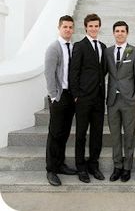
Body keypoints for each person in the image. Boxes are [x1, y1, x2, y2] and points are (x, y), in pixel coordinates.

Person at [70, 13, 107, 183]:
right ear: (86, 27)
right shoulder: (79, 45)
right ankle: (81, 167)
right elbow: (74, 71)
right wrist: (76, 94)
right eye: (90, 26)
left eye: (96, 26)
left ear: (99, 27)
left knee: (97, 133)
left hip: (99, 98)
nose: (93, 29)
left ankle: (94, 164)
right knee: (81, 134)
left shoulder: (103, 46)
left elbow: (103, 70)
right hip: (83, 98)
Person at [106, 21, 135, 182]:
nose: (120, 33)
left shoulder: (134, 51)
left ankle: (127, 168)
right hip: (113, 100)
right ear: (113, 33)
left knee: (129, 135)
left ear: (127, 33)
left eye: (122, 31)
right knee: (115, 136)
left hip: (129, 100)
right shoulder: (107, 52)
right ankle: (117, 167)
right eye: (117, 31)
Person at [45, 15, 76, 186]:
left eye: (71, 27)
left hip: (70, 95)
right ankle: (51, 170)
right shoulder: (53, 48)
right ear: (59, 28)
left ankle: (60, 164)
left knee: (64, 133)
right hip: (59, 96)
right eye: (65, 27)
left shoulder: (72, 47)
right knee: (55, 133)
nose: (68, 30)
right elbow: (49, 73)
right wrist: (54, 95)